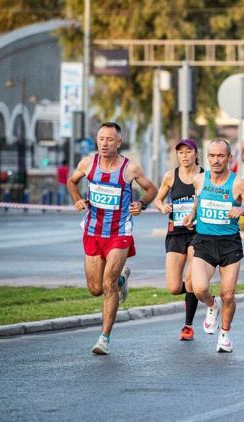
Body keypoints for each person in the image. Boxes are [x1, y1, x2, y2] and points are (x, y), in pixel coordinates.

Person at [67, 122, 158, 355]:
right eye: (101, 139)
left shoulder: (130, 169)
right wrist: (77, 198)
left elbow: (151, 189)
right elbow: (71, 181)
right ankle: (121, 281)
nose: (104, 143)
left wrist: (142, 204)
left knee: (107, 283)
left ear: (119, 142)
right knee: (96, 288)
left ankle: (104, 338)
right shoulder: (88, 163)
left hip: (119, 232)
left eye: (109, 139)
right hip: (93, 230)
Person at [182, 139, 244, 353]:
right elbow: (198, 201)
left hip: (229, 244)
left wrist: (243, 210)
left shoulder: (238, 183)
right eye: (212, 156)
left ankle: (225, 334)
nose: (216, 160)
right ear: (207, 157)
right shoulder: (199, 179)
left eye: (220, 156)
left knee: (228, 293)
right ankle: (211, 305)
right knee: (199, 288)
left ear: (229, 158)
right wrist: (192, 214)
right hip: (204, 241)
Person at [153, 139, 203, 340]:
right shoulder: (170, 176)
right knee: (174, 287)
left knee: (190, 280)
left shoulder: (204, 176)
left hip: (198, 232)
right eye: (180, 152)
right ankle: (200, 293)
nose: (184, 155)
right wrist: (162, 206)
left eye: (188, 151)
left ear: (196, 154)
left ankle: (188, 326)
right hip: (175, 233)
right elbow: (158, 199)